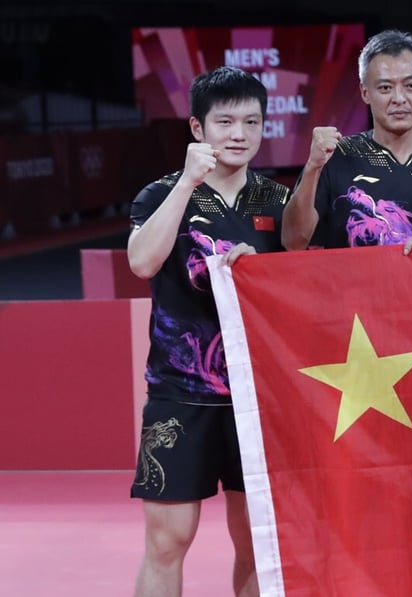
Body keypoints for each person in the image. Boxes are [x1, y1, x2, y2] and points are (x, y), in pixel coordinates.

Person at [127, 65, 289, 597]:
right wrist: (187, 183)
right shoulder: (158, 195)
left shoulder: (277, 203)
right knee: (168, 542)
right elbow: (142, 262)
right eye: (224, 122)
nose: (239, 134)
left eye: (251, 121)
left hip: (257, 400)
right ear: (198, 129)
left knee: (254, 542)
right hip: (180, 395)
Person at [283, 30, 412, 254]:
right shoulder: (336, 157)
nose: (399, 98)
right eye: (385, 87)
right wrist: (312, 167)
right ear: (365, 92)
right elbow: (293, 241)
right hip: (349, 289)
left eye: (411, 85)